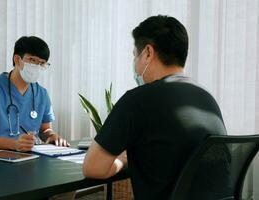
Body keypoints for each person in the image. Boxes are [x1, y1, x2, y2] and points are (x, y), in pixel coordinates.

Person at [83, 15, 227, 199]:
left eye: (135, 55)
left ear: (148, 53)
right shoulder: (206, 97)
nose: (135, 64)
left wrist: (124, 160)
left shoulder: (138, 100)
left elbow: (93, 167)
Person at [0, 36, 69, 152]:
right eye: (32, 60)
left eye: (42, 63)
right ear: (17, 59)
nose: (37, 66)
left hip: (29, 158)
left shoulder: (42, 94)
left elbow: (45, 129)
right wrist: (14, 144)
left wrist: (52, 136)